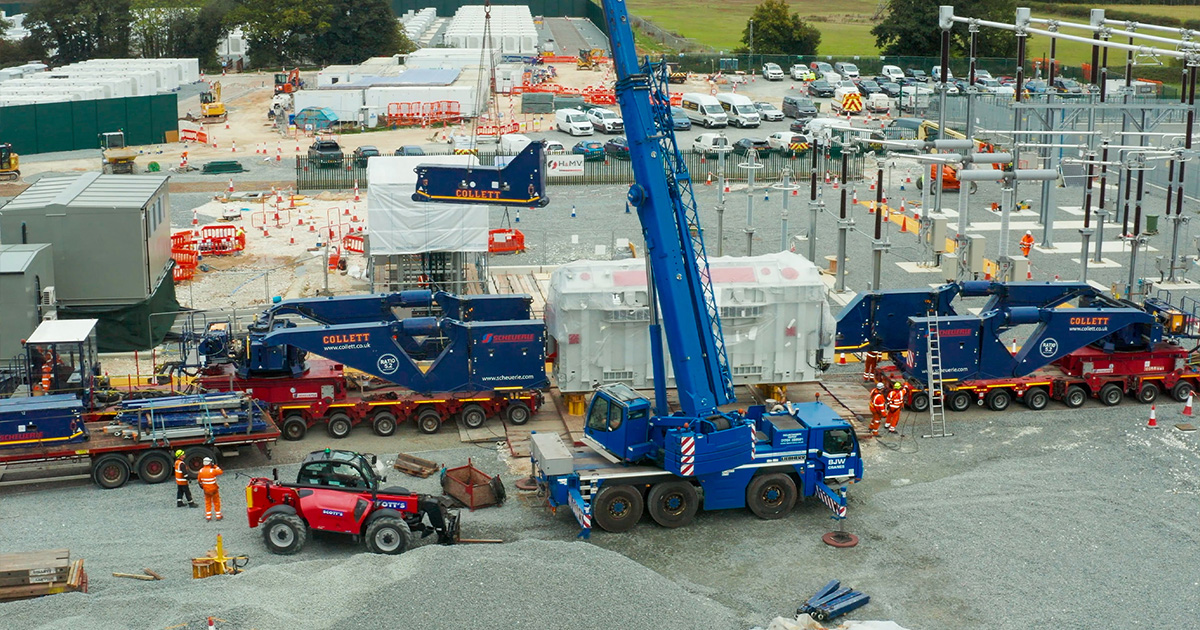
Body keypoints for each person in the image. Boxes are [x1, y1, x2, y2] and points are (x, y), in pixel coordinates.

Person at [197, 457, 224, 521]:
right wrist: (215, 466)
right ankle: (218, 516)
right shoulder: (212, 471)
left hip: (206, 490)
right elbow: (220, 472)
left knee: (207, 502)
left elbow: (199, 480)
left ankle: (208, 517)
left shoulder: (201, 471)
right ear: (209, 463)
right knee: (216, 502)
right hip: (214, 489)